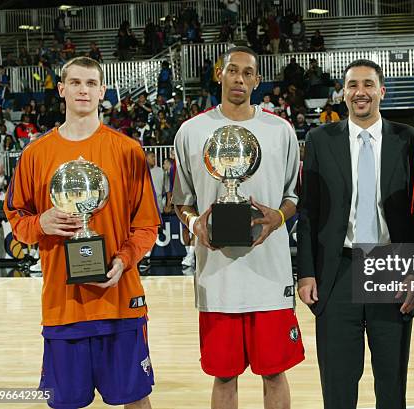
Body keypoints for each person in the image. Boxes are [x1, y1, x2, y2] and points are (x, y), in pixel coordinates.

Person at [4, 56, 160, 409]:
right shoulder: (35, 154)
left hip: (121, 301)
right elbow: (18, 221)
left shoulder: (129, 151)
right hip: (63, 306)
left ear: (103, 90)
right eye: (75, 83)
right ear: (61, 89)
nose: (83, 90)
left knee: (136, 400)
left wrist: (122, 261)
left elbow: (147, 225)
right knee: (64, 403)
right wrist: (40, 224)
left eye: (91, 83)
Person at [172, 46, 304, 409]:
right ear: (220, 74)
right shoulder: (190, 132)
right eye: (233, 70)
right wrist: (195, 221)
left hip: (270, 276)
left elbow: (295, 196)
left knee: (275, 373)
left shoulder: (280, 130)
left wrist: (278, 216)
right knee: (224, 375)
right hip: (217, 279)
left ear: (257, 81)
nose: (239, 79)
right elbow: (180, 202)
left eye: (248, 73)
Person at [297, 58, 414, 409]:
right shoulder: (321, 139)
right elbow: (309, 211)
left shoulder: (410, 140)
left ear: (382, 91)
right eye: (353, 85)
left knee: (391, 379)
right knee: (338, 379)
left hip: (391, 268)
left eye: (368, 84)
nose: (360, 92)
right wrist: (306, 272)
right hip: (339, 270)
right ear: (343, 93)